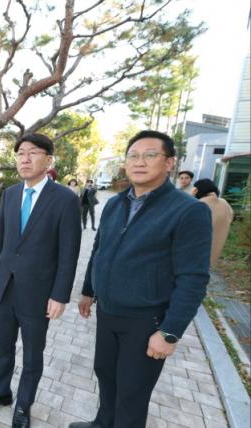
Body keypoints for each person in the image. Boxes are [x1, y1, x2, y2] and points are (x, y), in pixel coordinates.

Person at [71, 130, 212, 428]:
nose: (139, 162)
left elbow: (193, 279)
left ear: (169, 163)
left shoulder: (189, 211)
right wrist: (88, 291)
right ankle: (102, 423)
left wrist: (170, 333)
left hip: (146, 320)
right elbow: (99, 249)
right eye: (133, 155)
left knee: (132, 392)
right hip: (108, 312)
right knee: (105, 374)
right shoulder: (115, 204)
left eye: (150, 155)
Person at [0, 134, 82, 428]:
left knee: (33, 355)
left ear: (48, 160)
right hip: (5, 288)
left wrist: (60, 295)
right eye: (20, 153)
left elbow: (69, 253)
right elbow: (0, 239)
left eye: (32, 153)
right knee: (2, 347)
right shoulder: (10, 194)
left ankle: (23, 405)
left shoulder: (65, 199)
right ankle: (0, 392)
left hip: (38, 294)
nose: (24, 159)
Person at [192, 178, 234, 266]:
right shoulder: (225, 204)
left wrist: (191, 196)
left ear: (197, 190)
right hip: (212, 258)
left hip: (193, 256)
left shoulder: (197, 204)